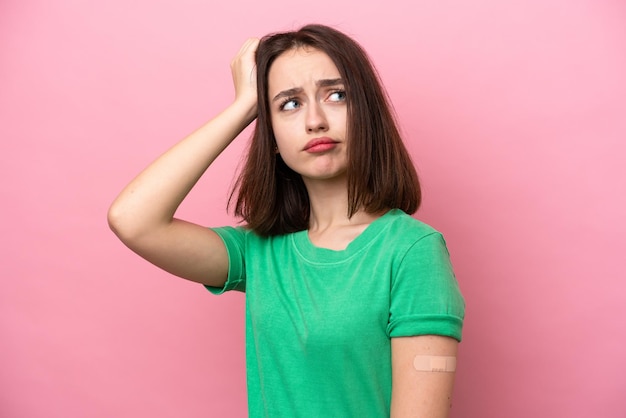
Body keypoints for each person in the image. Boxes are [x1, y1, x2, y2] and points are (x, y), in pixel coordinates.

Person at [108, 24, 465, 418]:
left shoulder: (413, 251)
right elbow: (132, 219)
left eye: (337, 95)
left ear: (366, 111)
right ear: (272, 136)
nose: (315, 120)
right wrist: (242, 106)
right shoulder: (257, 253)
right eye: (289, 104)